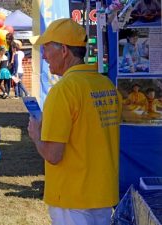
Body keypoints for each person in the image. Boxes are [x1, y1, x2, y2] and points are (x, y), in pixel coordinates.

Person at [27, 18, 122, 225]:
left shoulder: (63, 91)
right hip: (103, 193)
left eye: (46, 48)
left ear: (63, 50)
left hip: (72, 197)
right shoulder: (106, 85)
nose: (43, 56)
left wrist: (36, 136)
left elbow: (53, 155)